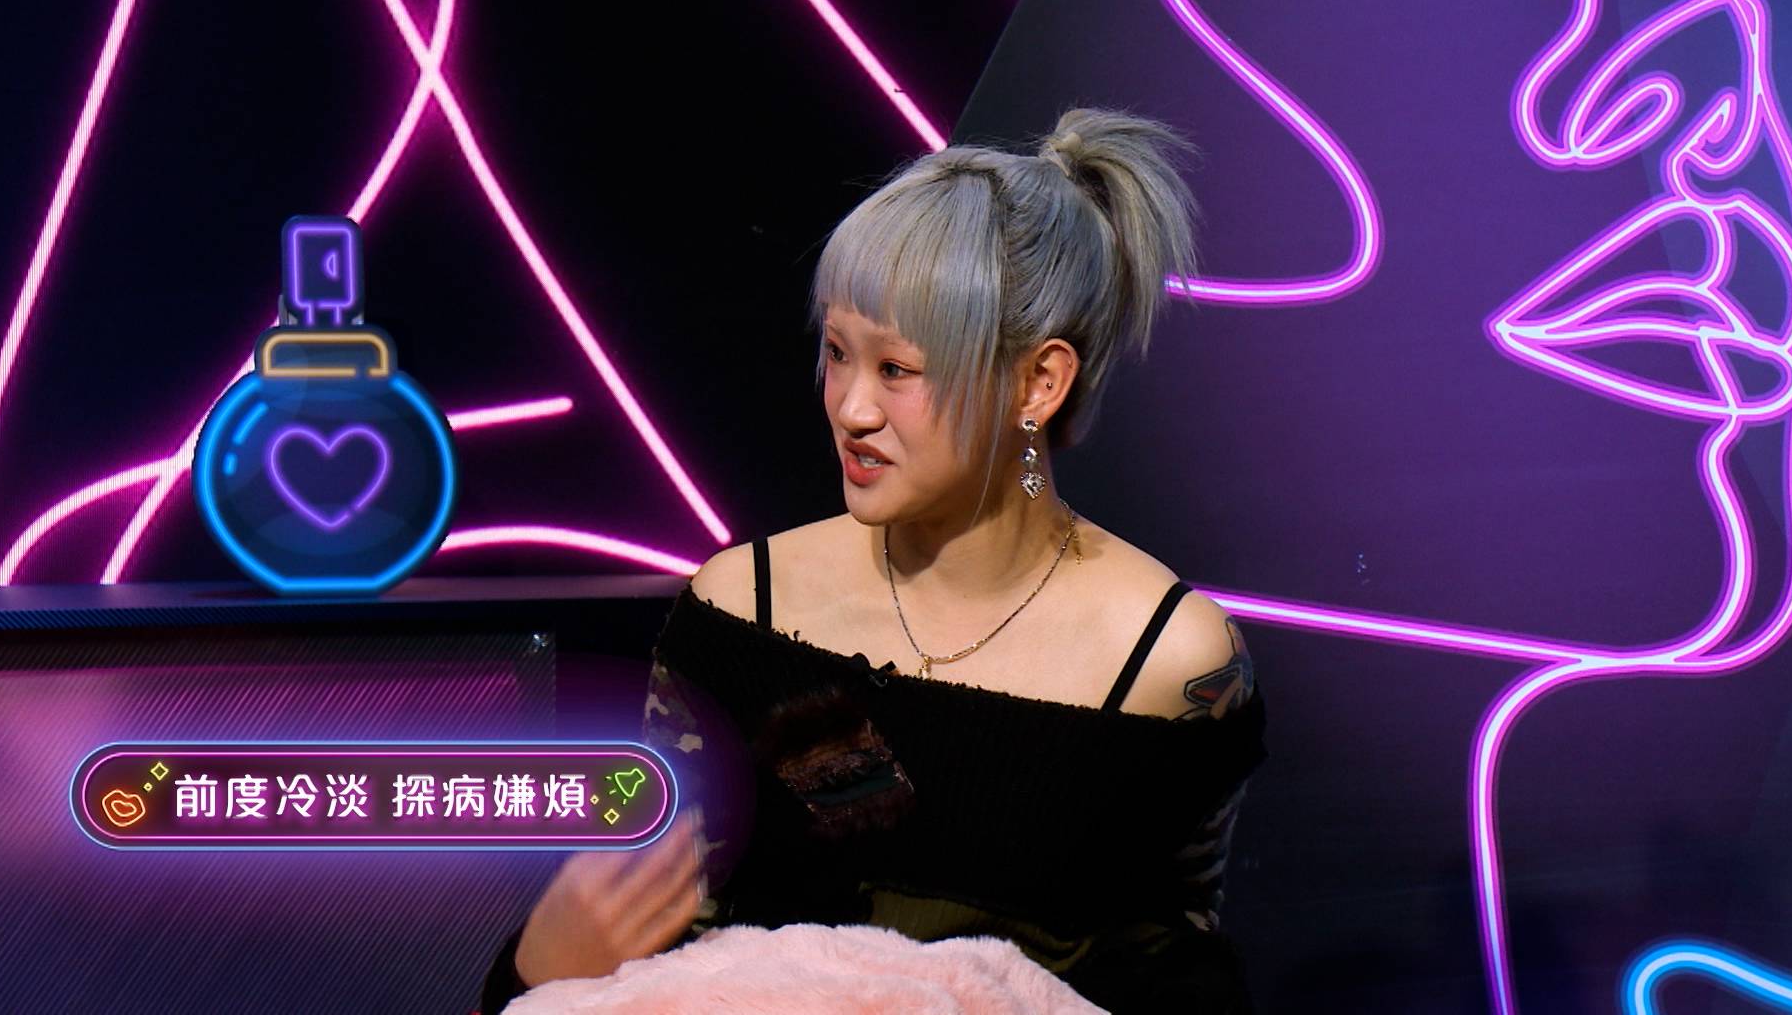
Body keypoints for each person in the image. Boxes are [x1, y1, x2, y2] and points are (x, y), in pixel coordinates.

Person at [479, 107, 1267, 1013]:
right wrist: (536, 966)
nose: (852, 409)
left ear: (1037, 383)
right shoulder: (746, 612)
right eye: (837, 353)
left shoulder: (1170, 662)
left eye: (898, 369)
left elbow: (1181, 975)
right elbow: (636, 934)